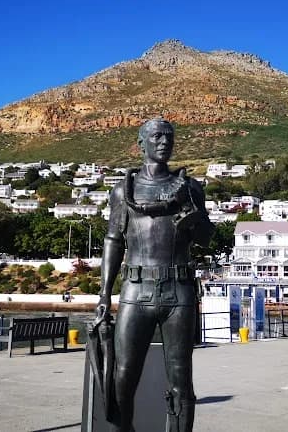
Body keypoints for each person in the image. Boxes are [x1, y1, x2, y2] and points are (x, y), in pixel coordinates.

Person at [95, 118, 214, 432]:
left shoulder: (190, 187)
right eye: (156, 136)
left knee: (181, 378)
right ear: (141, 142)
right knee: (123, 374)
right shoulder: (124, 190)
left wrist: (194, 217)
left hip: (179, 292)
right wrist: (104, 293)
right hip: (135, 290)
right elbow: (113, 240)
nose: (164, 142)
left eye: (169, 137)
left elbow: (205, 237)